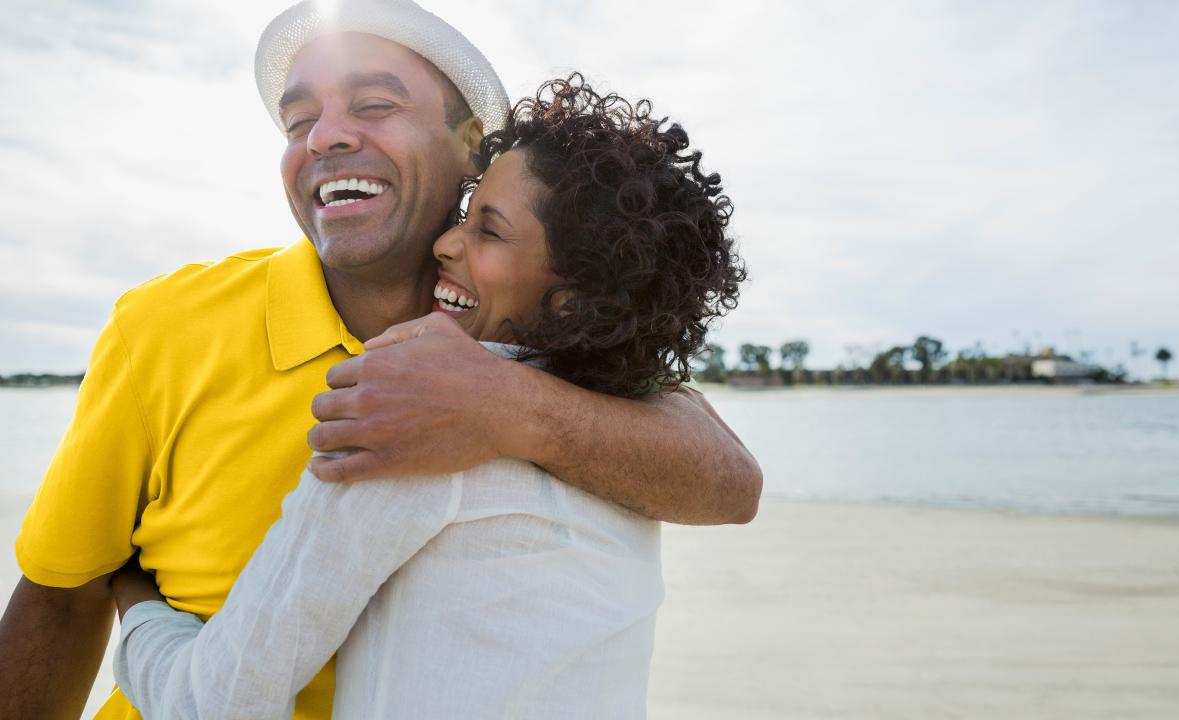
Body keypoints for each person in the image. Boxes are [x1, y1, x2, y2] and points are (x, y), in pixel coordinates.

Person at [0, 3, 761, 718]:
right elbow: (61, 594)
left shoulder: (530, 361)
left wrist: (503, 408)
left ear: (471, 147)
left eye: (373, 105)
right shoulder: (162, 325)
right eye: (299, 120)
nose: (324, 136)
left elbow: (729, 477)